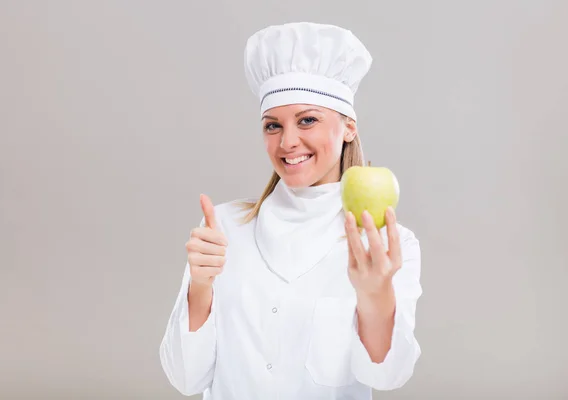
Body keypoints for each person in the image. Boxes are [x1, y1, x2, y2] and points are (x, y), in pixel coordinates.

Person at [159, 21, 423, 400]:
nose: (287, 141)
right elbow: (185, 380)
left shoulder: (383, 246)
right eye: (272, 125)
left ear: (349, 127)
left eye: (307, 120)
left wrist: (375, 295)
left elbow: (386, 378)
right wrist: (200, 287)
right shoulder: (224, 229)